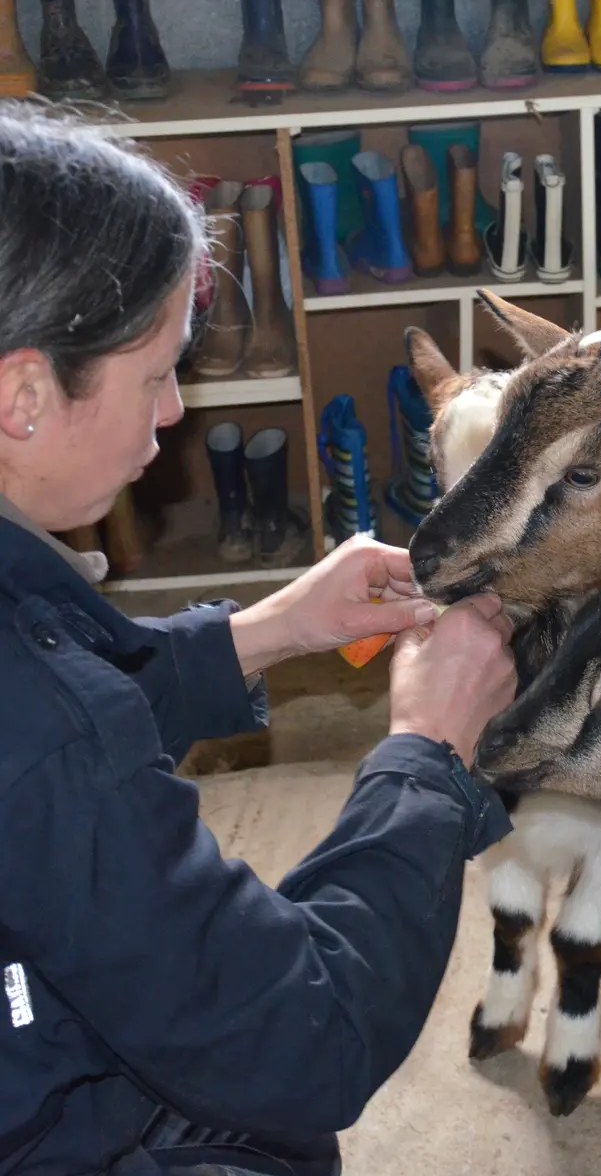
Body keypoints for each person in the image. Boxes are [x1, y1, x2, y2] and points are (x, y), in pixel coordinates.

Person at [0, 102, 518, 1176]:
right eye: (156, 375)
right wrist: (425, 757)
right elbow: (304, 1038)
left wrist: (265, 632)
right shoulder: (41, 722)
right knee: (277, 1131)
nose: (175, 410)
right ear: (24, 391)